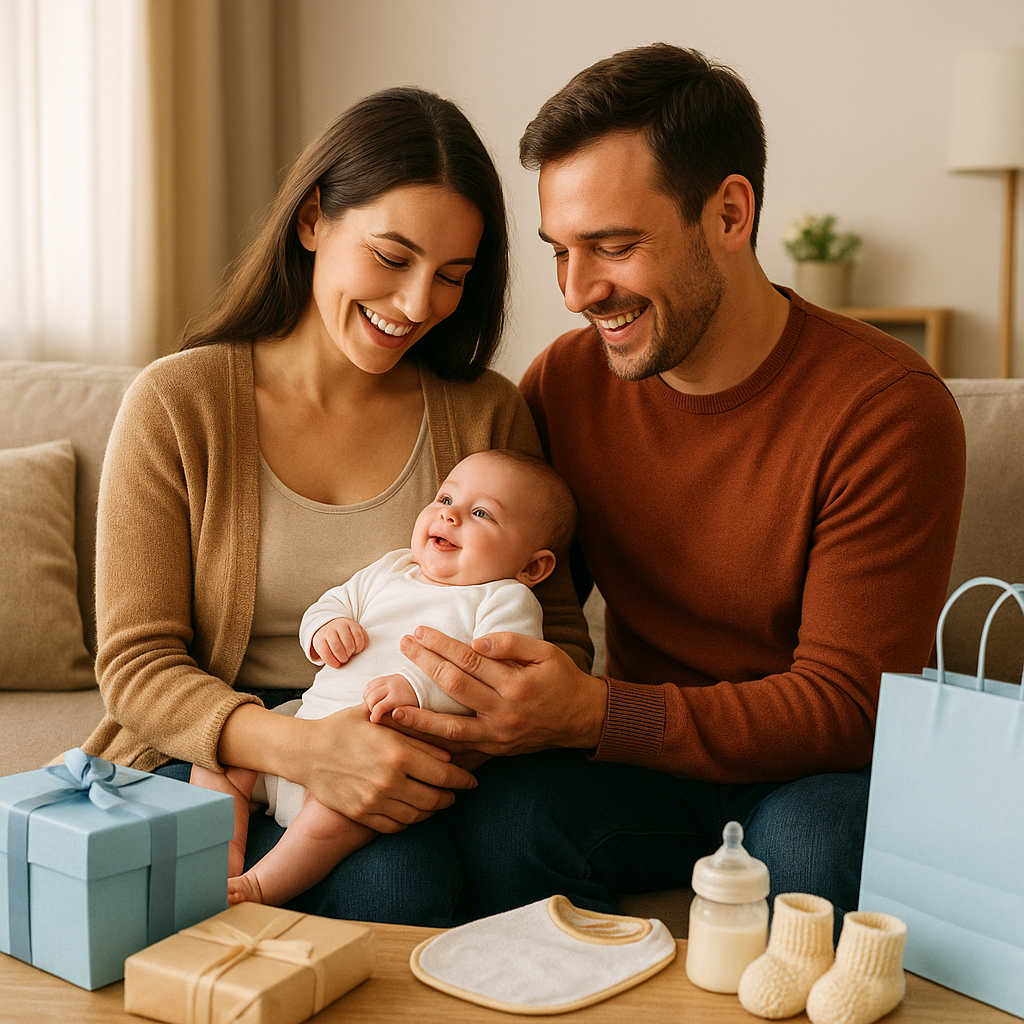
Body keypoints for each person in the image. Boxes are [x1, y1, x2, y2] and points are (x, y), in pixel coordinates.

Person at [392, 45, 967, 935]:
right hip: (641, 765)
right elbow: (520, 600)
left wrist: (596, 710)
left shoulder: (887, 410)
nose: (580, 291)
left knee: (810, 854)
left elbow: (850, 710)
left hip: (815, 771)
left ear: (728, 214)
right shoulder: (567, 384)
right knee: (504, 821)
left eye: (615, 247)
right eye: (561, 252)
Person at [81, 87, 590, 926]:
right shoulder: (178, 404)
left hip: (407, 741)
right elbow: (136, 666)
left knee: (407, 886)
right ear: (314, 219)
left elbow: (556, 635)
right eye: (393, 257)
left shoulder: (484, 416)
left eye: (453, 277)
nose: (420, 304)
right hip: (218, 743)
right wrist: (305, 749)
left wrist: (435, 738)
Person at [192, 448, 575, 907]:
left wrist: (417, 689)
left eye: (479, 513)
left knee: (337, 820)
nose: (449, 516)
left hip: (377, 761)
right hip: (299, 732)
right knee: (221, 760)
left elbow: (500, 686)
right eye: (445, 498)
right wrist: (324, 628)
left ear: (532, 567)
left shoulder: (503, 600)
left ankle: (263, 883)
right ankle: (221, 854)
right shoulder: (393, 569)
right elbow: (334, 601)